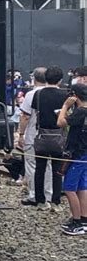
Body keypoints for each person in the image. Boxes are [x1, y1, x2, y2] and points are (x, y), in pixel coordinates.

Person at [31, 66, 67, 211]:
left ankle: (40, 201)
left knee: (40, 169)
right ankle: (56, 201)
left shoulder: (38, 95)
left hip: (41, 135)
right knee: (57, 170)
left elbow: (34, 112)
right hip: (58, 135)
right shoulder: (64, 95)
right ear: (60, 80)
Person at [57, 83, 87, 235]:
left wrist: (65, 106)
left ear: (75, 96)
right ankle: (84, 219)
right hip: (84, 153)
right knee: (82, 187)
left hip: (77, 154)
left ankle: (77, 222)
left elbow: (61, 122)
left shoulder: (81, 111)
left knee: (69, 189)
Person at [18, 67, 51, 206]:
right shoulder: (55, 93)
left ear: (34, 78)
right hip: (51, 136)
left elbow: (25, 116)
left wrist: (20, 134)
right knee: (48, 165)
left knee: (32, 165)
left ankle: (33, 194)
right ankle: (48, 194)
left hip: (33, 135)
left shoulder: (31, 94)